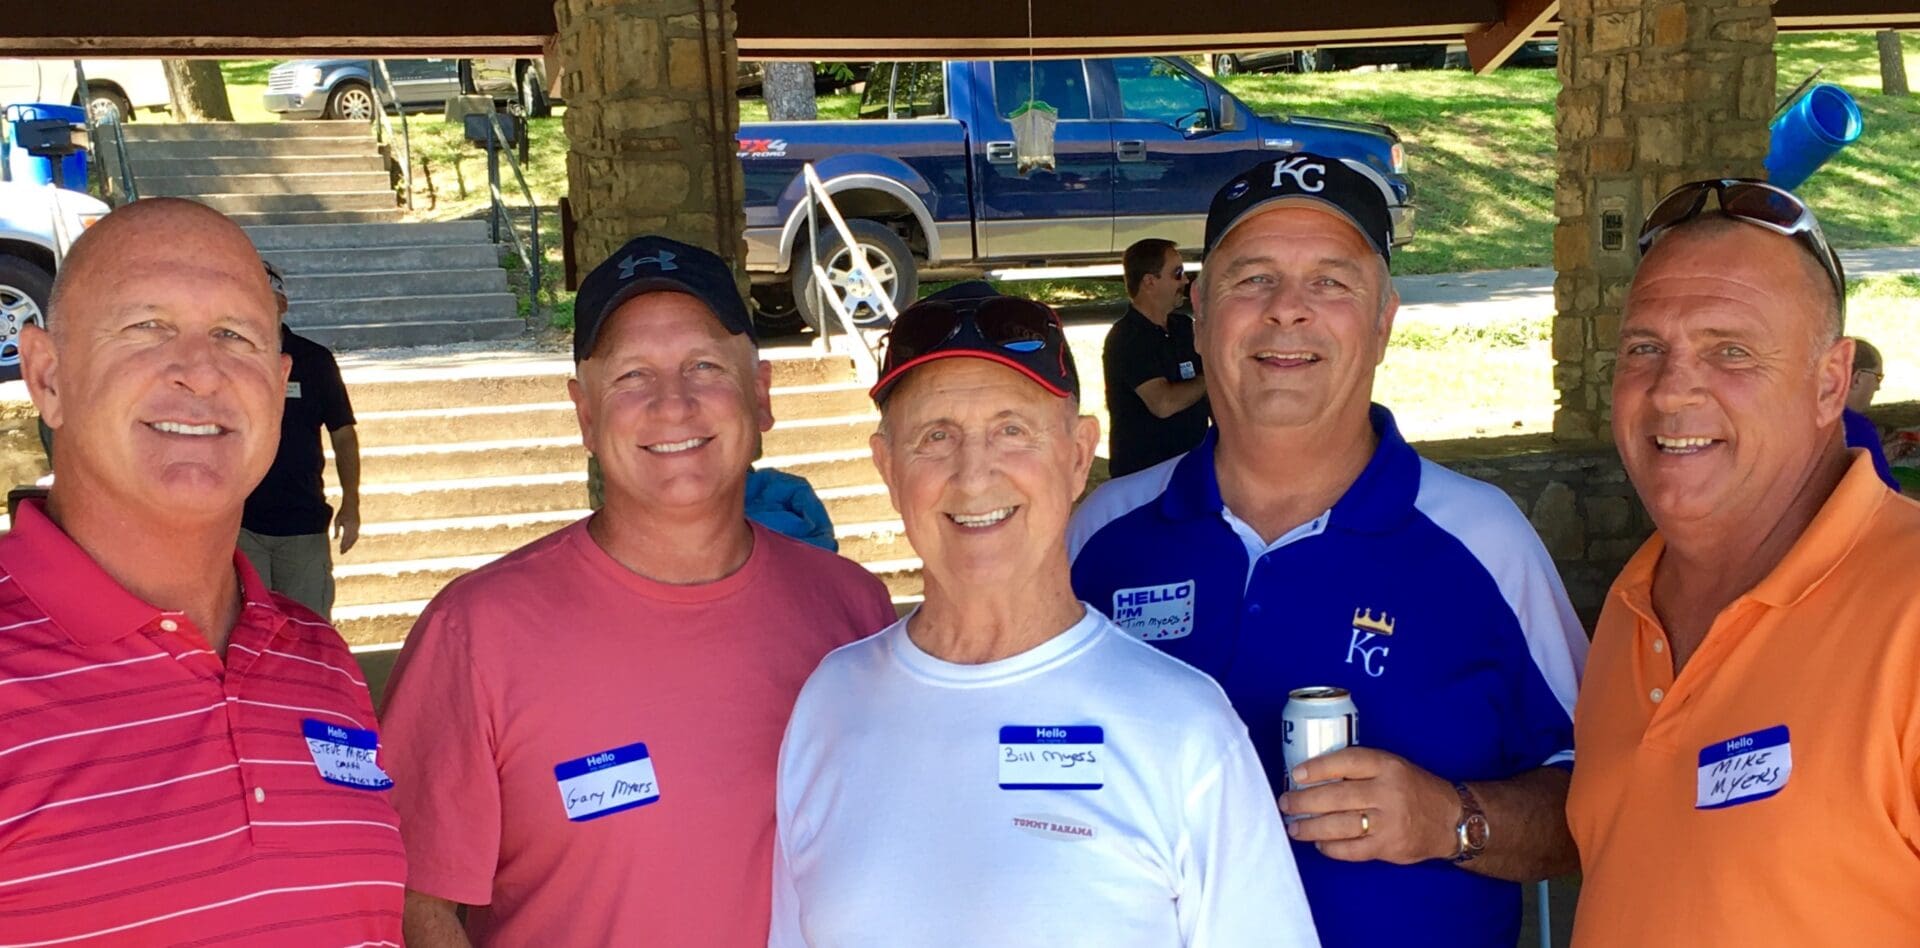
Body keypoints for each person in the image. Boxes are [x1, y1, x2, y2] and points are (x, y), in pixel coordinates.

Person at [1069, 155, 1587, 947]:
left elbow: (1597, 801)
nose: (1288, 312)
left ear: (1383, 319)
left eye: (1331, 283)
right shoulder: (1097, 539)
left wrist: (1453, 820)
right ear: (1200, 314)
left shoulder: (1485, 539)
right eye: (1253, 279)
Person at [380, 235, 894, 947]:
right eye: (630, 377)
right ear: (584, 413)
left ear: (762, 394)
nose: (672, 404)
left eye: (704, 366)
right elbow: (416, 906)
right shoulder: (477, 634)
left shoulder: (852, 612)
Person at [771, 283, 1318, 947]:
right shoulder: (832, 701)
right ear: (887, 466)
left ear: (1078, 454)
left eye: (1012, 431)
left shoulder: (1183, 728)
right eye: (935, 437)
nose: (974, 476)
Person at [0, 197, 405, 943]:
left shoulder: (323, 665)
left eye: (234, 335)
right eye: (146, 327)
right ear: (47, 376)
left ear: (278, 385)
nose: (200, 371)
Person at [1567, 179, 1920, 945]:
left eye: (1731, 351)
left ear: (1830, 383)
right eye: (1645, 349)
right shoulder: (1633, 608)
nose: (1671, 390)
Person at [237, 260, 362, 616]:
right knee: (247, 631)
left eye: (266, 297)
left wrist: (351, 503)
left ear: (282, 304)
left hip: (303, 524)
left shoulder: (315, 360)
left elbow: (344, 435)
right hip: (241, 523)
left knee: (309, 632)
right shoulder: (227, 359)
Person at [1104, 237, 1209, 476]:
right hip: (1144, 479)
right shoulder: (1127, 338)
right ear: (1150, 282)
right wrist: (1211, 378)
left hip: (1190, 469)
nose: (1185, 280)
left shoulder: (1183, 327)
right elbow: (1163, 403)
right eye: (1177, 273)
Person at [1841, 336, 1899, 490]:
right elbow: (1887, 494)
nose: (1878, 387)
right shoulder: (1858, 428)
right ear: (1858, 378)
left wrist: (1878, 456)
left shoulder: (1808, 417)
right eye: (1878, 377)